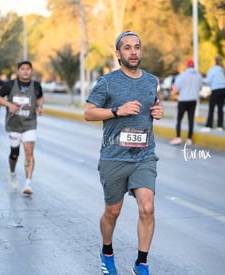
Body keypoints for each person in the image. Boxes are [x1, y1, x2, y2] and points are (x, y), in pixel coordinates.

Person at [84, 31, 163, 275]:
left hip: (144, 155)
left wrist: (157, 112)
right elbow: (89, 113)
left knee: (147, 208)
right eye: (127, 47)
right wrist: (118, 110)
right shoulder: (107, 82)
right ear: (118, 54)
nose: (133, 51)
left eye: (137, 47)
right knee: (113, 211)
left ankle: (142, 263)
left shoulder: (151, 81)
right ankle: (107, 252)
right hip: (114, 157)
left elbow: (154, 105)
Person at [0, 60, 44, 195]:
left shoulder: (36, 85)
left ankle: (28, 183)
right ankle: (12, 172)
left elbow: (40, 98)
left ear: (31, 71)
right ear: (18, 71)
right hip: (13, 124)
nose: (25, 71)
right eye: (22, 69)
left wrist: (40, 107)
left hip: (30, 123)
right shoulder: (9, 85)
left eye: (28, 69)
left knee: (29, 151)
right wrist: (9, 105)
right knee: (14, 153)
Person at [170, 59, 203, 145]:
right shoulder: (199, 76)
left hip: (183, 100)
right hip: (193, 100)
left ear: (187, 66)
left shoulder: (182, 76)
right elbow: (200, 88)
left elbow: (176, 89)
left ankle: (178, 137)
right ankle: (189, 139)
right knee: (191, 119)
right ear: (194, 66)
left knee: (179, 119)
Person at [201, 55, 225, 132]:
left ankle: (208, 126)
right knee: (220, 108)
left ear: (215, 61)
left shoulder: (212, 70)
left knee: (211, 108)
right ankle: (220, 126)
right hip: (224, 90)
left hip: (216, 90)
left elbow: (208, 81)